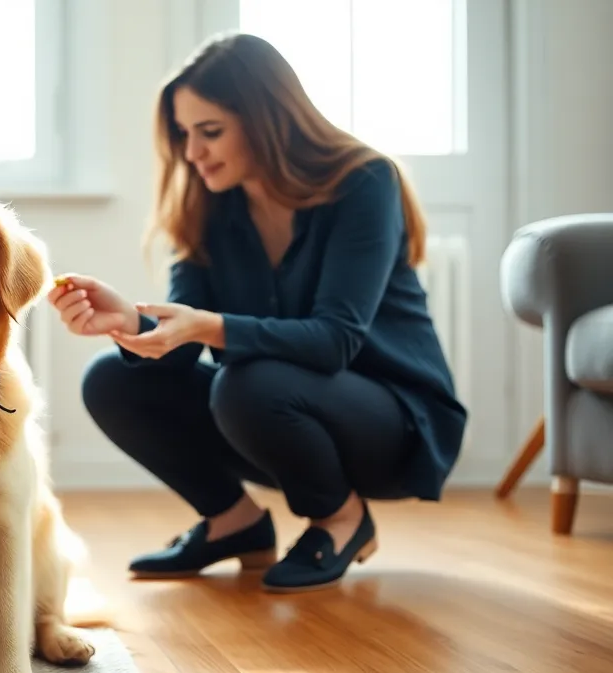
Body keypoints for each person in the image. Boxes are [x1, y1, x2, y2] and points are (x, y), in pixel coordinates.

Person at [49, 32, 466, 593]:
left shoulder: (366, 182)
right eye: (184, 134)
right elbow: (183, 349)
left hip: (392, 424)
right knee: (110, 379)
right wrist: (131, 325)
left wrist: (212, 327)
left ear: (268, 120)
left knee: (247, 382)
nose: (192, 152)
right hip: (274, 416)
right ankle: (234, 524)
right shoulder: (207, 207)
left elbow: (334, 340)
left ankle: (341, 519)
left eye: (210, 131)